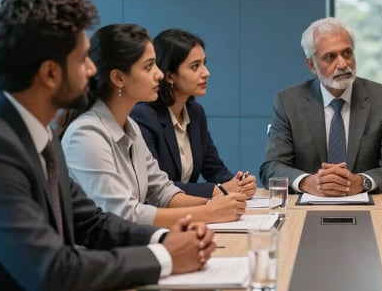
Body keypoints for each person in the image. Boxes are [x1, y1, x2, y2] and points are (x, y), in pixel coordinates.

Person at [0, 0, 215, 291]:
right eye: (82, 60)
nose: (93, 69)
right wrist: (167, 258)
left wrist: (164, 239)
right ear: (50, 73)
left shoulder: (38, 134)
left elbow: (92, 223)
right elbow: (52, 270)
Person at [60, 24, 247, 228]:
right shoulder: (86, 136)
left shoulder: (130, 126)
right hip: (102, 256)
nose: (159, 74)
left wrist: (218, 205)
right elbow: (123, 215)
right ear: (118, 78)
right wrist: (208, 212)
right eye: (148, 66)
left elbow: (162, 191)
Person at [260, 17, 382, 196]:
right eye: (330, 57)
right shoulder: (288, 102)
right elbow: (272, 167)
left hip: (366, 206)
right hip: (305, 208)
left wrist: (362, 181)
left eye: (347, 53)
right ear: (312, 65)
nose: (342, 64)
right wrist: (308, 182)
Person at [131, 29, 256, 198]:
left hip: (191, 213)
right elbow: (157, 187)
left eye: (204, 63)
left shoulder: (195, 113)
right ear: (169, 76)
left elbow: (214, 169)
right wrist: (219, 190)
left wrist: (240, 183)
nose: (206, 73)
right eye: (195, 66)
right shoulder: (144, 116)